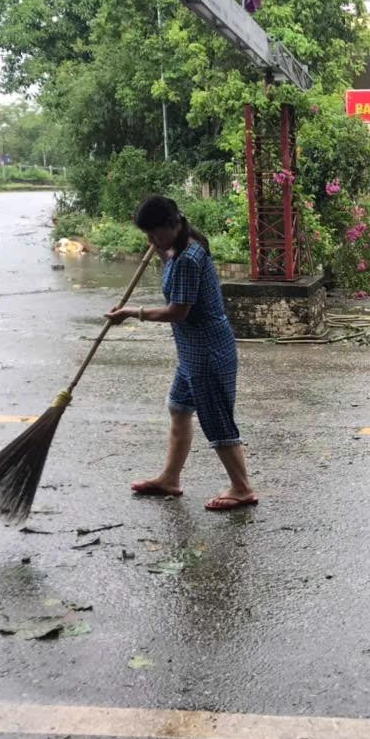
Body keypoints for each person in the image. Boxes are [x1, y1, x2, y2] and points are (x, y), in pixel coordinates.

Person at [104, 195, 257, 511]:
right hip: (190, 350)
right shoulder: (177, 246)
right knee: (178, 407)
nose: (151, 240)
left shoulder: (188, 257)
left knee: (215, 418)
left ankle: (242, 488)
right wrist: (161, 248)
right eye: (147, 235)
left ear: (173, 225)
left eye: (155, 233)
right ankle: (170, 479)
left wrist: (133, 312)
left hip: (208, 350)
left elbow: (178, 311)